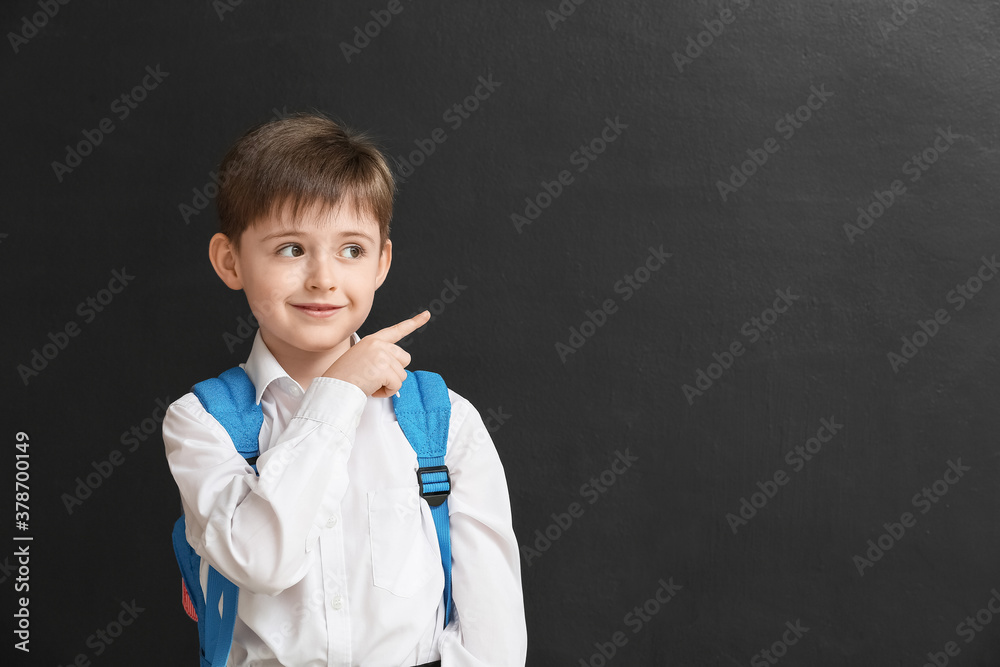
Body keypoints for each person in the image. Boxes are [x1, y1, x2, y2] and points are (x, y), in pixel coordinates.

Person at [163, 112, 527, 666]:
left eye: (351, 250)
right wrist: (338, 393)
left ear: (381, 261)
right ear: (230, 261)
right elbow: (263, 562)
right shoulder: (202, 423)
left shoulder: (441, 420)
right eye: (291, 249)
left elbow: (493, 635)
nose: (323, 278)